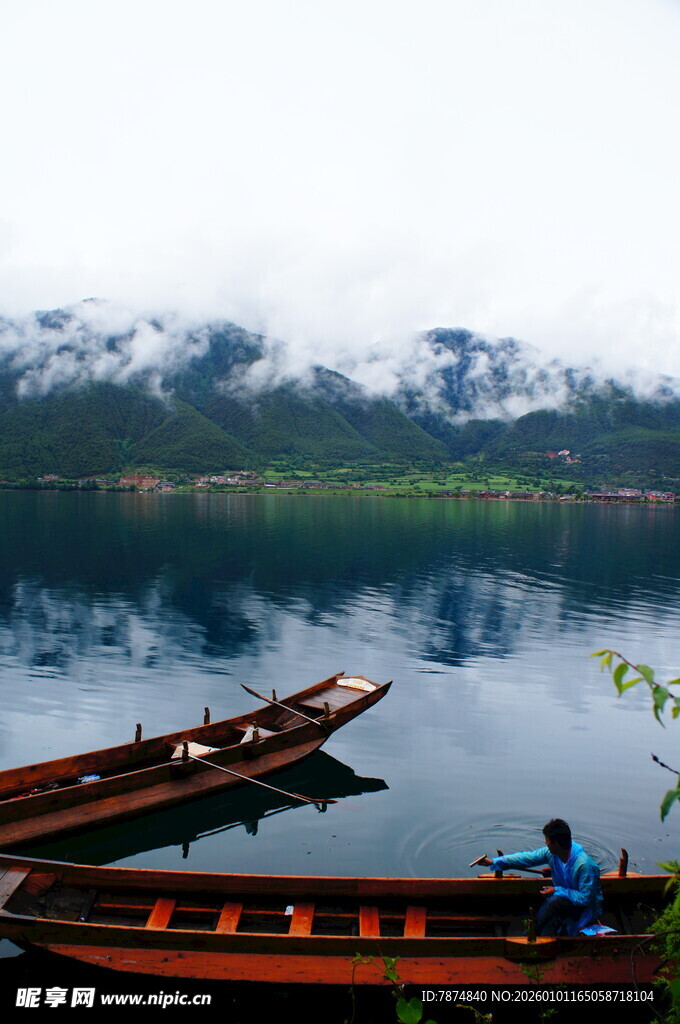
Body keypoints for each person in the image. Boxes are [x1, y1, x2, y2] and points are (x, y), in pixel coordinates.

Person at [475, 818, 602, 936]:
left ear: (555, 844)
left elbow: (585, 898)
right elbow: (526, 858)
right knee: (543, 901)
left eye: (547, 840)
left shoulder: (585, 865)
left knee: (554, 902)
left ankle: (530, 933)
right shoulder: (551, 853)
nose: (545, 843)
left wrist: (557, 890)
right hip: (565, 899)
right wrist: (494, 862)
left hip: (583, 909)